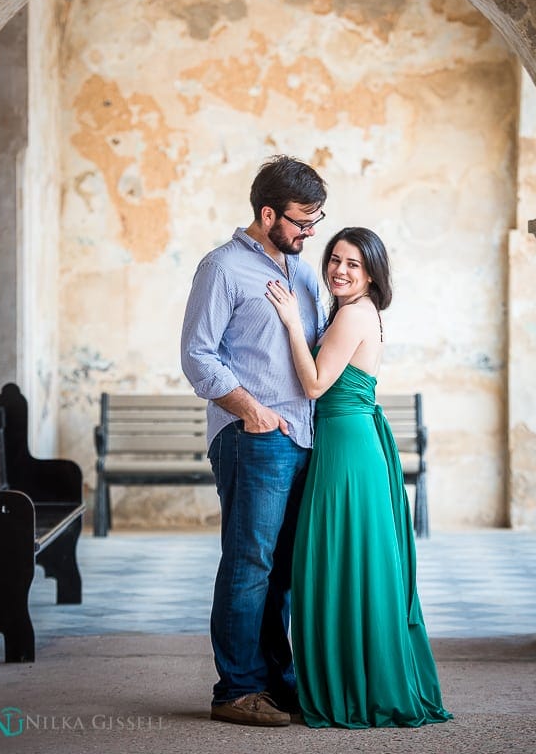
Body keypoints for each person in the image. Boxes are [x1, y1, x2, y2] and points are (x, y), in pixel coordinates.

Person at [266, 227, 452, 729]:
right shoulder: (349, 312)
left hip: (349, 448)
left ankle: (356, 686)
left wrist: (287, 320)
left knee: (344, 559)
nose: (340, 271)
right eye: (335, 260)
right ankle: (349, 675)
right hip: (347, 441)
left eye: (353, 264)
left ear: (371, 273)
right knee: (346, 559)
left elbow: (314, 383)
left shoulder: (354, 312)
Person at [180, 155, 328, 727]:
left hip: (305, 440)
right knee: (249, 565)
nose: (309, 232)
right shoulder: (220, 268)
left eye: (316, 220)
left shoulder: (304, 272)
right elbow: (198, 355)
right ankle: (235, 690)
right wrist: (253, 412)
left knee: (284, 569)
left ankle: (275, 682)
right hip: (254, 437)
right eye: (300, 221)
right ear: (267, 214)